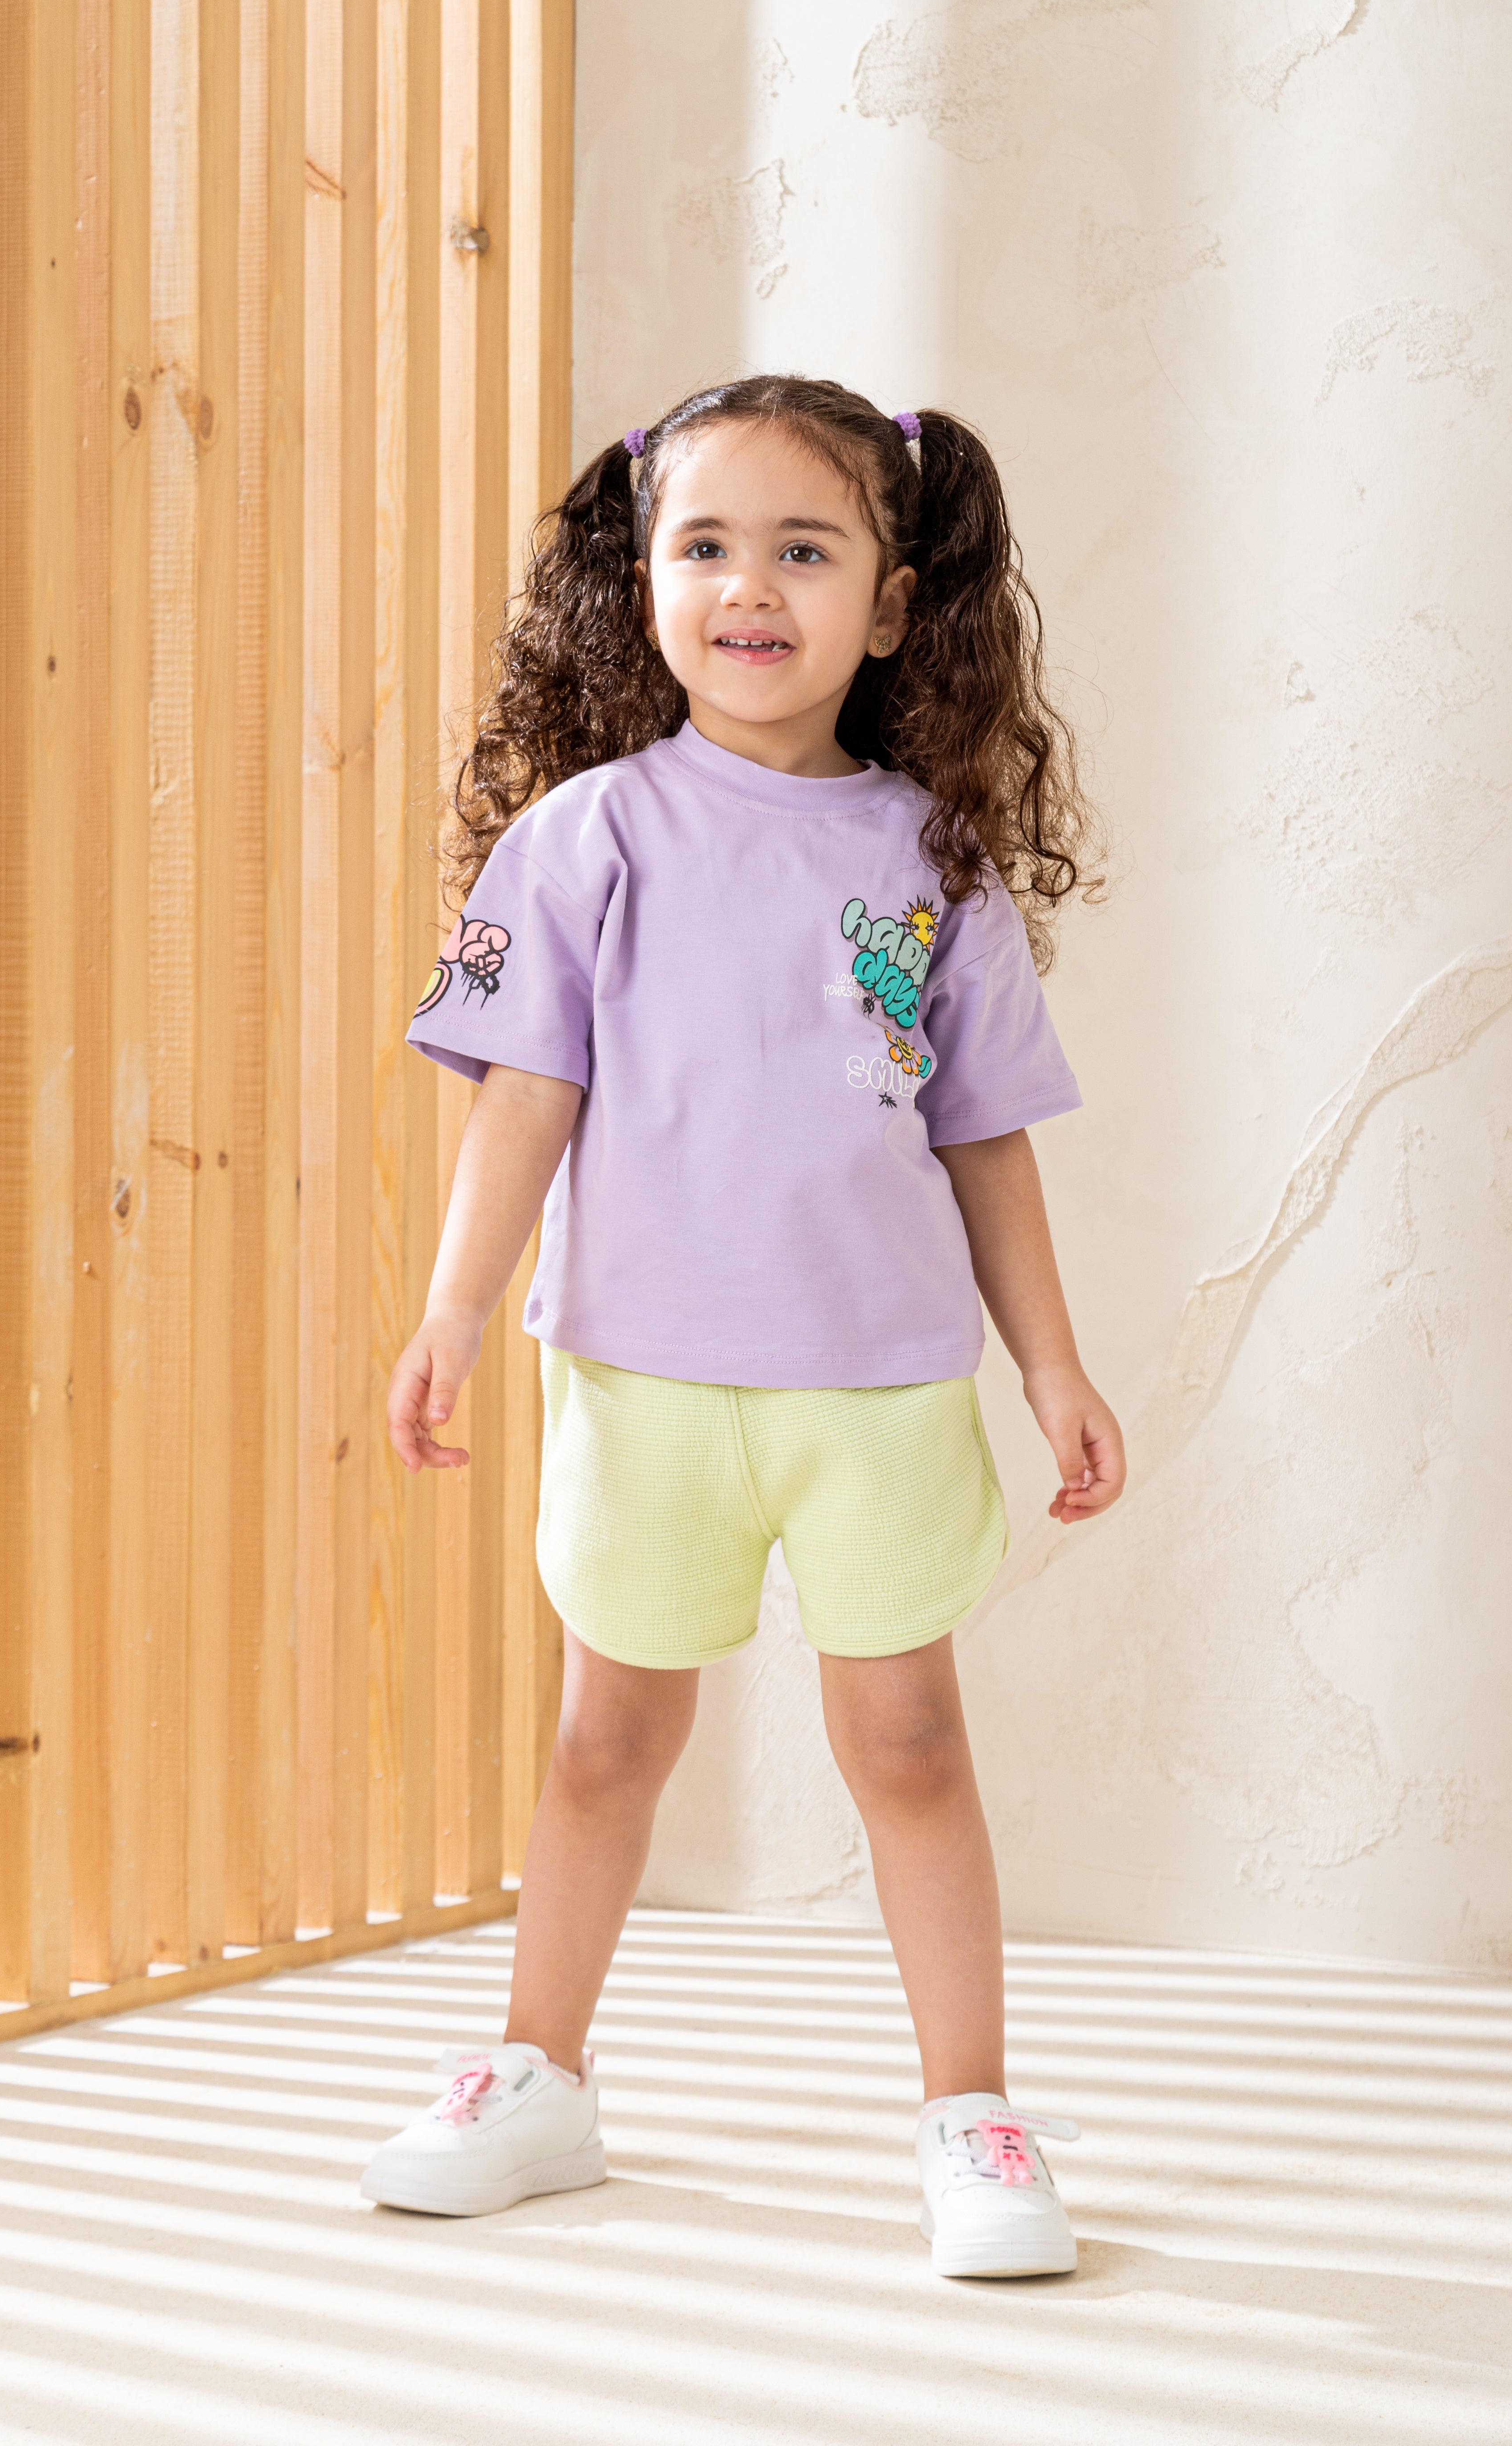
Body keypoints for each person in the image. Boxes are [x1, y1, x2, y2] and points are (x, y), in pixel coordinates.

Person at [361, 375, 1125, 2279]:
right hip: (638, 1379)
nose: (750, 586)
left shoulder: (934, 861)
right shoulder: (582, 838)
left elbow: (984, 1139)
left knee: (911, 1747)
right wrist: (454, 1308)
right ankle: (538, 2077)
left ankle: (971, 2112)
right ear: (644, 584)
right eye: (704, 545)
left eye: (805, 547)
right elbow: (523, 1095)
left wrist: (1051, 1364)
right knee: (604, 1744)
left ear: (892, 602)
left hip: (878, 1390)